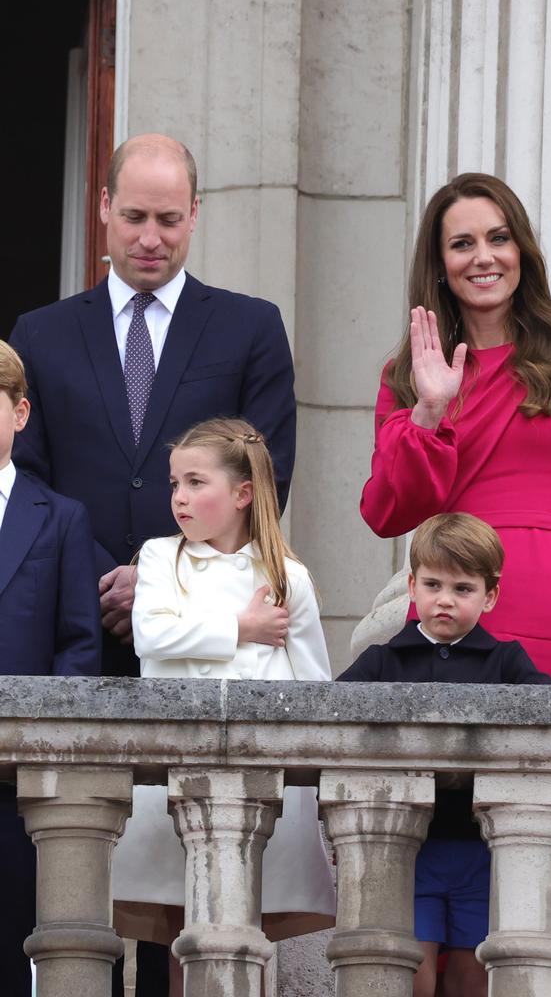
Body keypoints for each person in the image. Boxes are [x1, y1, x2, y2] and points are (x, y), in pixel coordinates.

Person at [360, 172, 551, 994]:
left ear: (520, 245)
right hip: (445, 607)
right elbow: (388, 511)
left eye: (497, 237)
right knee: (444, 820)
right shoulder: (407, 372)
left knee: (544, 817)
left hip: (547, 611)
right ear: (439, 263)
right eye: (462, 243)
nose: (483, 256)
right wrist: (428, 410)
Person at [9, 132, 296, 681]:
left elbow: (265, 474)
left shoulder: (251, 328)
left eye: (167, 220)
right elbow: (25, 477)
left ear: (193, 214)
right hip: (72, 625)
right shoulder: (41, 333)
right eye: (134, 216)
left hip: (209, 625)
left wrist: (159, 577)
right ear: (102, 207)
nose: (149, 239)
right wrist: (95, 576)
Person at [111, 417, 335, 993]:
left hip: (262, 781)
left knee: (245, 929)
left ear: (242, 493)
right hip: (174, 775)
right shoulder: (161, 558)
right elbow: (152, 638)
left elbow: (314, 684)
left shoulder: (289, 576)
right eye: (173, 484)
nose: (179, 498)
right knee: (183, 927)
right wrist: (242, 627)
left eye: (194, 482)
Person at [339, 513, 551, 997]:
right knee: (414, 974)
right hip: (407, 847)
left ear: (490, 595)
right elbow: (334, 725)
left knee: (471, 976)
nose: (445, 600)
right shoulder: (383, 660)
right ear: (411, 586)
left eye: (463, 588)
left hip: (481, 846)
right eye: (433, 584)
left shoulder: (507, 661)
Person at [0, 340, 101, 997]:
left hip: (18, 784)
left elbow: (77, 646)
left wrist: (44, 752)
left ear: (20, 412)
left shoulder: (61, 520)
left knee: (17, 945)